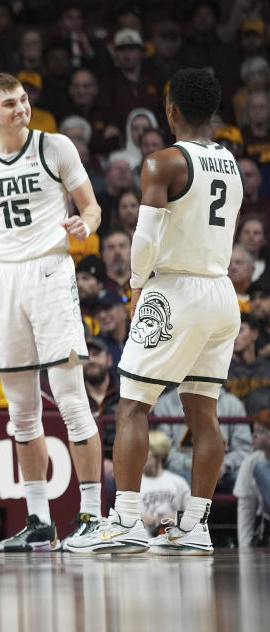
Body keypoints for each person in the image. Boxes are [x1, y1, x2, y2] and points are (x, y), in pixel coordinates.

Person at [65, 68, 242, 555]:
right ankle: (196, 527)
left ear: (171, 110)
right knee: (202, 413)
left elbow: (144, 239)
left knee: (132, 404)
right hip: (222, 293)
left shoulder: (161, 163)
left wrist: (138, 286)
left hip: (176, 290)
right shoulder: (231, 163)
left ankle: (122, 522)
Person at [0, 72, 104, 551]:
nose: (21, 108)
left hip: (50, 272)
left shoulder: (54, 147)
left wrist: (85, 224)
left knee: (72, 400)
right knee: (21, 413)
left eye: (23, 99)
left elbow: (93, 207)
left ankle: (93, 517)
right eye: (10, 103)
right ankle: (39, 520)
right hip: (1, 280)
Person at [151, 386, 251, 493]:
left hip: (225, 469)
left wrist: (224, 465)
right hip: (184, 470)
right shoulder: (165, 404)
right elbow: (165, 451)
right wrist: (193, 465)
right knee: (181, 483)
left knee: (243, 483)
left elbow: (244, 448)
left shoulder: (232, 403)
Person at [234, 394, 270, 548]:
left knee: (261, 468)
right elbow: (245, 509)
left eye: (260, 431)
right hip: (267, 524)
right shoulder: (250, 462)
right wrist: (245, 548)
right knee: (259, 467)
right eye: (253, 430)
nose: (253, 436)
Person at [140, 429, 191, 536]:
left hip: (173, 543)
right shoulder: (132, 484)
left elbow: (195, 516)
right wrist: (139, 519)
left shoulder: (178, 483)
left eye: (144, 451)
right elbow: (120, 518)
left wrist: (176, 518)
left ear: (158, 455)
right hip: (142, 544)